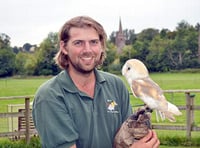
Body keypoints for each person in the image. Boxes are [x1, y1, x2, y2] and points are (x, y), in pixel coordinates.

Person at [32, 16, 160, 148]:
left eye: (93, 42)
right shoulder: (50, 96)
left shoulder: (116, 86)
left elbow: (125, 141)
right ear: (64, 47)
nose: (87, 50)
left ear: (101, 46)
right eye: (78, 43)